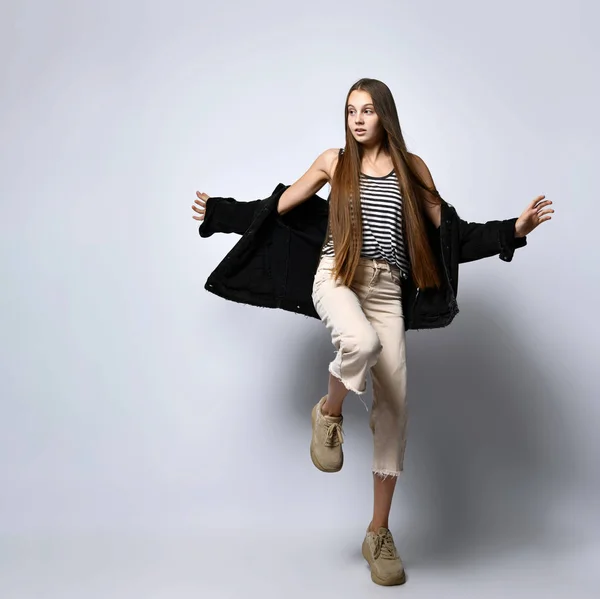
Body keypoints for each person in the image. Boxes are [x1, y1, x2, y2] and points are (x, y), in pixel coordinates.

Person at [191, 78, 554, 586]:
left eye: (367, 110)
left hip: (388, 292)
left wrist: (512, 232)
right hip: (337, 275)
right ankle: (329, 410)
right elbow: (277, 209)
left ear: (385, 115)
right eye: (349, 111)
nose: (357, 119)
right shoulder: (333, 162)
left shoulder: (413, 169)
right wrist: (220, 213)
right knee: (359, 342)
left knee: (395, 412)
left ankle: (378, 533)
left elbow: (451, 235)